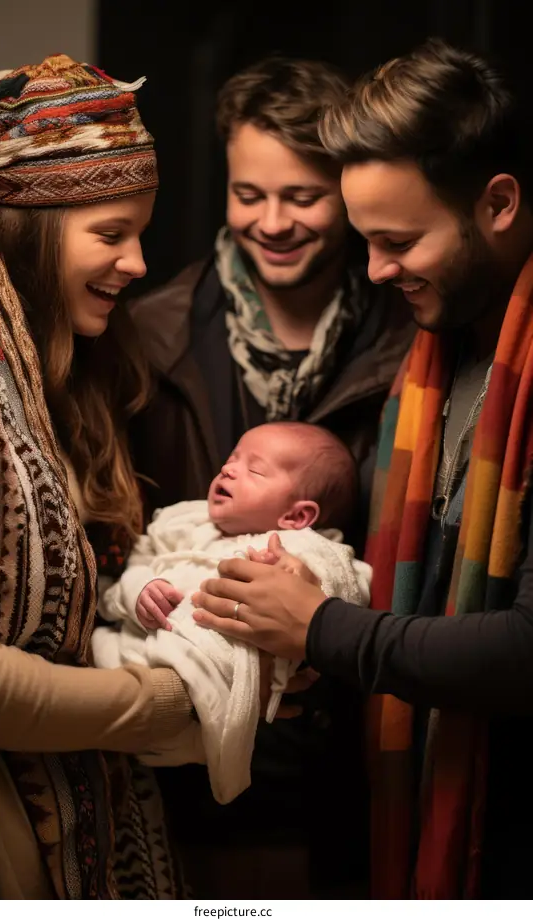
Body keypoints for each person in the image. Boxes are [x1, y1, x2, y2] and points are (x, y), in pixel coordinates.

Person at [191, 39, 533, 899]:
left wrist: (322, 629)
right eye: (369, 242)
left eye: (400, 242)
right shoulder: (435, 350)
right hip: (399, 810)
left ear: (498, 203)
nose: (377, 270)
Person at [127, 54, 413, 899]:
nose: (273, 222)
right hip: (184, 752)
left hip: (350, 747)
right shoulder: (152, 334)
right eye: (250, 194)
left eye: (303, 196)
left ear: (349, 193)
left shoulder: (410, 338)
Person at [0, 53, 203, 900]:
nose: (137, 264)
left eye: (141, 234)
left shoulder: (64, 376)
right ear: (30, 226)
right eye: (111, 234)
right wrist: (164, 704)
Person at [92, 422, 371, 806]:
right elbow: (131, 567)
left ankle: (192, 736)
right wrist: (139, 589)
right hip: (141, 641)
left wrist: (309, 583)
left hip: (214, 665)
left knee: (201, 696)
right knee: (99, 646)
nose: (228, 470)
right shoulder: (183, 520)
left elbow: (350, 589)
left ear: (296, 516)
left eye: (254, 469)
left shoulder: (303, 548)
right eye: (232, 458)